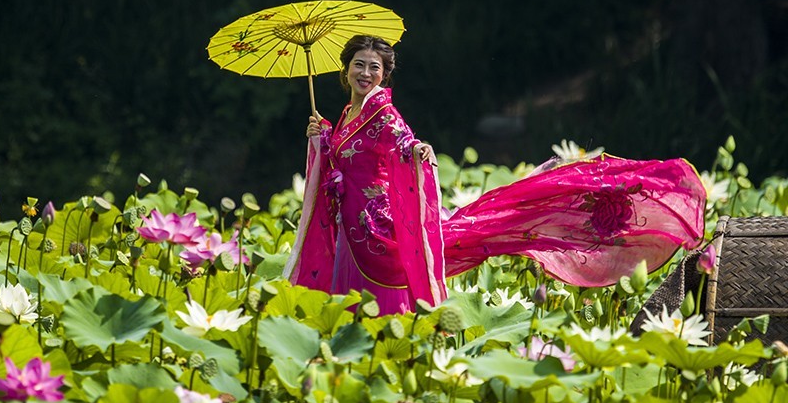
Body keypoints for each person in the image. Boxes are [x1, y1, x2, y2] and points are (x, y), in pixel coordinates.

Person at [283, 35, 706, 315]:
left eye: (374, 68)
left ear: (385, 75)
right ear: (345, 70)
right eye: (359, 65)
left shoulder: (383, 112)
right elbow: (340, 165)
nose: (365, 74)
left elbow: (405, 142)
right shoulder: (343, 114)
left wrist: (419, 151)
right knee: (349, 310)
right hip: (349, 231)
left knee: (382, 304)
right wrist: (320, 139)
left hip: (377, 228)